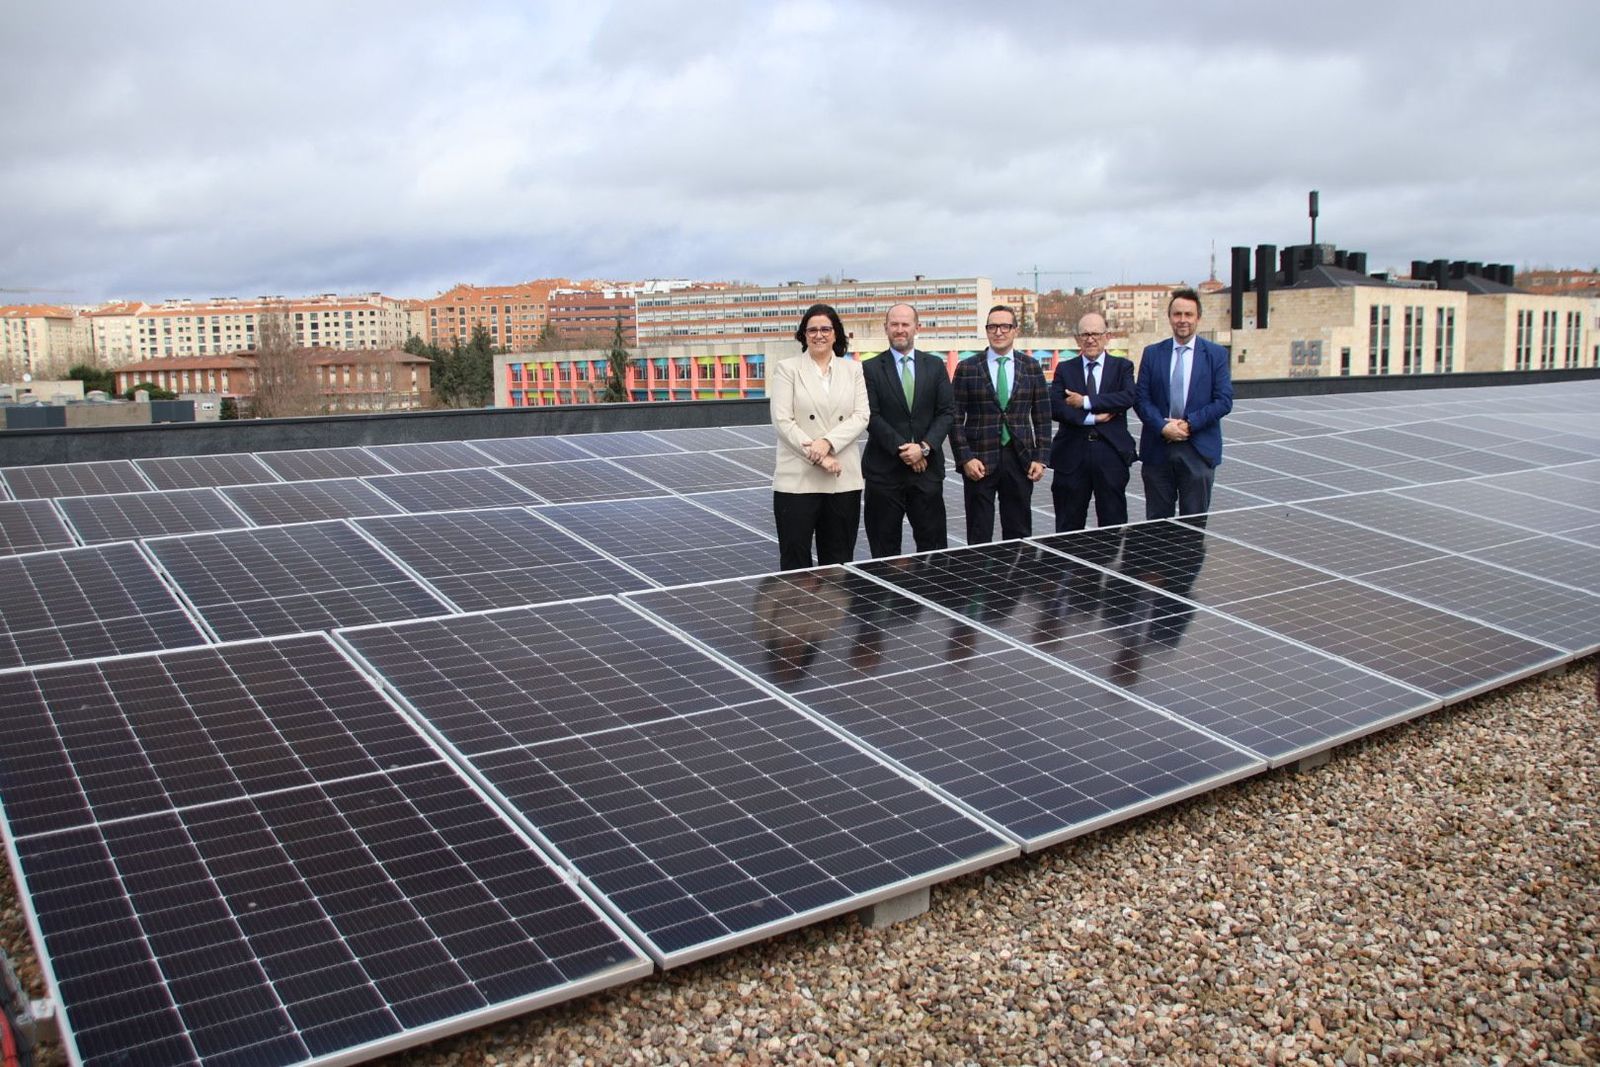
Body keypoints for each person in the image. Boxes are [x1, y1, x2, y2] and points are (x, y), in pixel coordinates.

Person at [770, 303, 869, 569]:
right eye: (811, 330)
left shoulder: (854, 370)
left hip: (842, 480)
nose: (819, 335)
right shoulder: (786, 369)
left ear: (836, 334)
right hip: (797, 482)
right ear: (803, 335)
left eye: (826, 329)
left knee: (838, 566)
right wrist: (819, 456)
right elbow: (782, 421)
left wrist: (827, 443)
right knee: (795, 565)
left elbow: (861, 416)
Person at [950, 304, 1051, 543]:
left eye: (1005, 326)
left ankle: (1017, 579)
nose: (998, 332)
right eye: (992, 326)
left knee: (1019, 533)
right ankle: (980, 579)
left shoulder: (1031, 367)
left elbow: (1042, 416)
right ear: (986, 330)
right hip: (979, 462)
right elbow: (953, 417)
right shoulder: (968, 368)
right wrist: (965, 458)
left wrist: (1041, 457)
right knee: (979, 532)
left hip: (1020, 459)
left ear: (1015, 330)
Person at [861, 303, 955, 556]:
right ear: (886, 328)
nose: (900, 330)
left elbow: (946, 412)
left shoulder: (935, 366)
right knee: (883, 552)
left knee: (934, 551)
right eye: (894, 324)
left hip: (927, 473)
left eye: (905, 324)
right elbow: (871, 415)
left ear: (917, 327)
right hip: (884, 474)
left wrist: (923, 448)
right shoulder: (869, 369)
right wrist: (905, 450)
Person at [1135, 288, 1233, 519]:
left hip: (1198, 451)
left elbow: (1224, 400)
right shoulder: (1152, 354)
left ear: (1198, 318)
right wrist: (1162, 426)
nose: (1182, 320)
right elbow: (1141, 399)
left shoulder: (1216, 355)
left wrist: (1189, 424)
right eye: (1177, 314)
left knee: (1194, 526)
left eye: (1188, 315)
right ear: (1169, 317)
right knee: (1158, 527)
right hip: (1158, 450)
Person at [1049, 312, 1137, 531]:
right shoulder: (1064, 369)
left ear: (1107, 336)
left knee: (1112, 524)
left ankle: (1109, 566)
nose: (1090, 339)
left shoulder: (1122, 367)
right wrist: (1090, 418)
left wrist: (1085, 401)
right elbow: (1055, 406)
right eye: (1085, 334)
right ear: (1077, 339)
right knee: (1068, 526)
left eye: (1096, 334)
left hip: (1110, 455)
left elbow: (1127, 397)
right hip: (1072, 456)